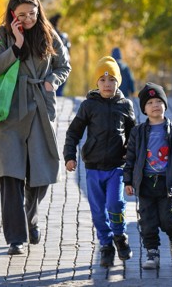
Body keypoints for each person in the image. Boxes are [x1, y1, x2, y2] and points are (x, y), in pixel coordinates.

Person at [0, 0, 71, 256]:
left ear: (38, 11)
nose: (27, 19)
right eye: (21, 15)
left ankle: (31, 217)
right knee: (10, 174)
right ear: (13, 14)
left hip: (39, 108)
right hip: (10, 111)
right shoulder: (3, 34)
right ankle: (15, 238)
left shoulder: (48, 33)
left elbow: (64, 65)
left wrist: (52, 82)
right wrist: (17, 45)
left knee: (41, 172)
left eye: (32, 14)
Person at [63, 56, 137, 267]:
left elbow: (134, 136)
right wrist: (70, 156)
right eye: (103, 79)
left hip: (116, 167)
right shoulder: (88, 105)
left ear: (118, 82)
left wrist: (132, 160)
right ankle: (106, 245)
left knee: (116, 203)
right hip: (93, 167)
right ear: (97, 82)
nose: (107, 84)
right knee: (97, 211)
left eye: (112, 79)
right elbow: (74, 132)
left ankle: (120, 237)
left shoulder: (125, 105)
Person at [124, 82, 172, 270]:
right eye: (150, 102)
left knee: (167, 219)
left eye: (158, 101)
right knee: (147, 221)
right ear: (144, 109)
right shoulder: (137, 132)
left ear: (165, 104)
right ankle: (152, 253)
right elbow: (130, 158)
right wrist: (128, 181)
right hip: (144, 183)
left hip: (166, 183)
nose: (155, 105)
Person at [49, 14, 71, 96]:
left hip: (53, 64)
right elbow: (68, 50)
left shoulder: (50, 36)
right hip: (63, 62)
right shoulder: (63, 36)